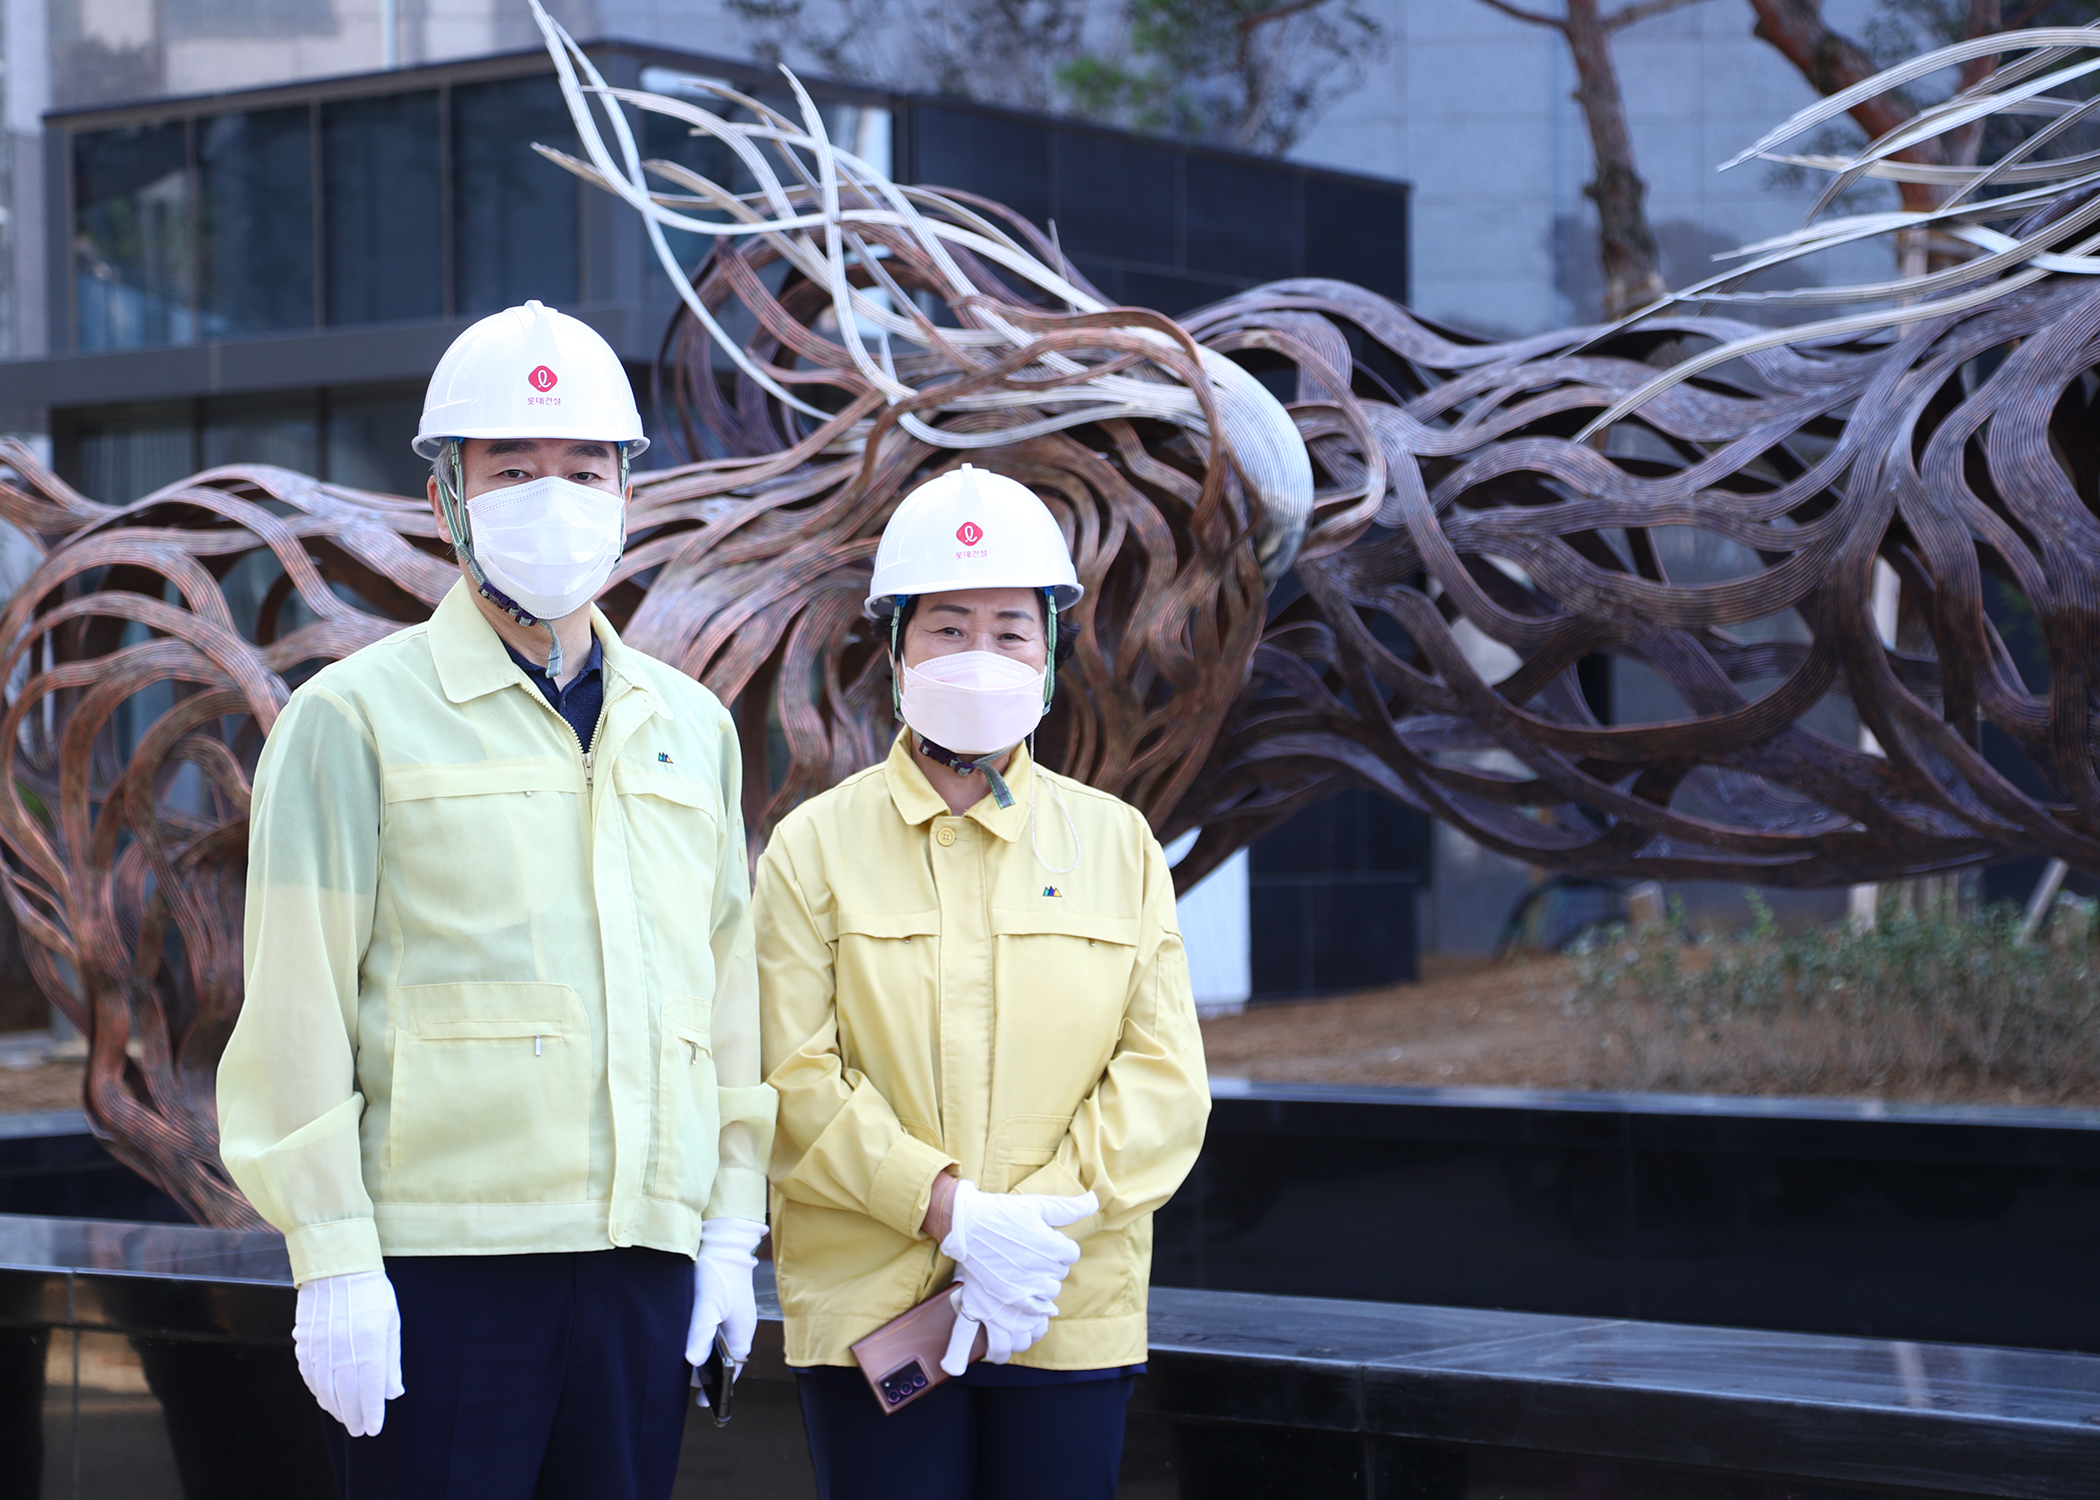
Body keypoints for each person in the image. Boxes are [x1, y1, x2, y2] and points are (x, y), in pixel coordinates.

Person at [217, 300, 777, 1500]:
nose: (553, 495)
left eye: (584, 467)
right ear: (448, 501)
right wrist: (333, 1258)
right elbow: (297, 1005)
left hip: (641, 1260)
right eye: (512, 469)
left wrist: (730, 1230)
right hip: (441, 1270)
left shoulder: (690, 726)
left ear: (627, 489)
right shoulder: (350, 718)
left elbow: (725, 989)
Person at [754, 464, 1211, 1500]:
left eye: (1009, 629)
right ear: (896, 648)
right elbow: (788, 1076)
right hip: (876, 1309)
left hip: (1064, 1300)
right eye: (947, 627)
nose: (978, 655)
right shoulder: (812, 849)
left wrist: (1027, 1233)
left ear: (1049, 652)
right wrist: (951, 1214)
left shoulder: (1118, 844)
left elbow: (1163, 1082)